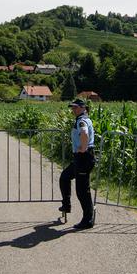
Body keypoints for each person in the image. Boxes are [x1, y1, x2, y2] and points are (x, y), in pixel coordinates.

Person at [60, 98, 95, 229]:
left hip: (83, 157)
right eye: (72, 107)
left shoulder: (82, 120)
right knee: (65, 177)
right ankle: (66, 205)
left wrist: (83, 148)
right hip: (81, 158)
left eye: (75, 107)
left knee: (82, 191)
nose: (73, 110)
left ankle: (88, 220)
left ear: (82, 107)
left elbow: (84, 133)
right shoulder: (83, 118)